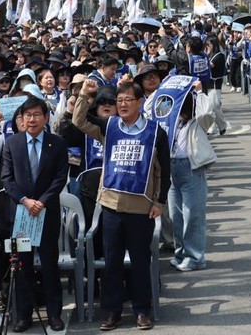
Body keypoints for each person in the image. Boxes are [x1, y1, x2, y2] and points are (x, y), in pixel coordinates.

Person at [71, 80, 170, 331]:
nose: (123, 104)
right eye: (120, 100)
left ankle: (141, 311)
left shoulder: (155, 132)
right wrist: (84, 94)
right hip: (111, 206)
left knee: (140, 262)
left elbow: (164, 171)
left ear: (140, 103)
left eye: (128, 100)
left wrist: (160, 202)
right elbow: (79, 121)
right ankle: (112, 312)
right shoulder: (110, 127)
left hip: (140, 208)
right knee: (112, 263)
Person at [1, 97, 69, 333]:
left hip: (46, 213)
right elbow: (6, 179)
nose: (32, 119)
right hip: (20, 214)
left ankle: (54, 315)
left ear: (45, 117)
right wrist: (25, 201)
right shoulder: (12, 143)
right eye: (27, 115)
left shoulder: (57, 143)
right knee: (22, 266)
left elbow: (61, 178)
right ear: (21, 118)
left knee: (50, 266)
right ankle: (23, 315)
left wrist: (41, 202)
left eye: (36, 114)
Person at [154, 77, 216, 272]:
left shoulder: (199, 122)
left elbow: (207, 112)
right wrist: (162, 88)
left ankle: (196, 257)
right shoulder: (168, 118)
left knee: (193, 214)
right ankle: (181, 252)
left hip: (191, 167)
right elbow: (149, 109)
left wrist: (198, 92)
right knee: (175, 215)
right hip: (170, 168)